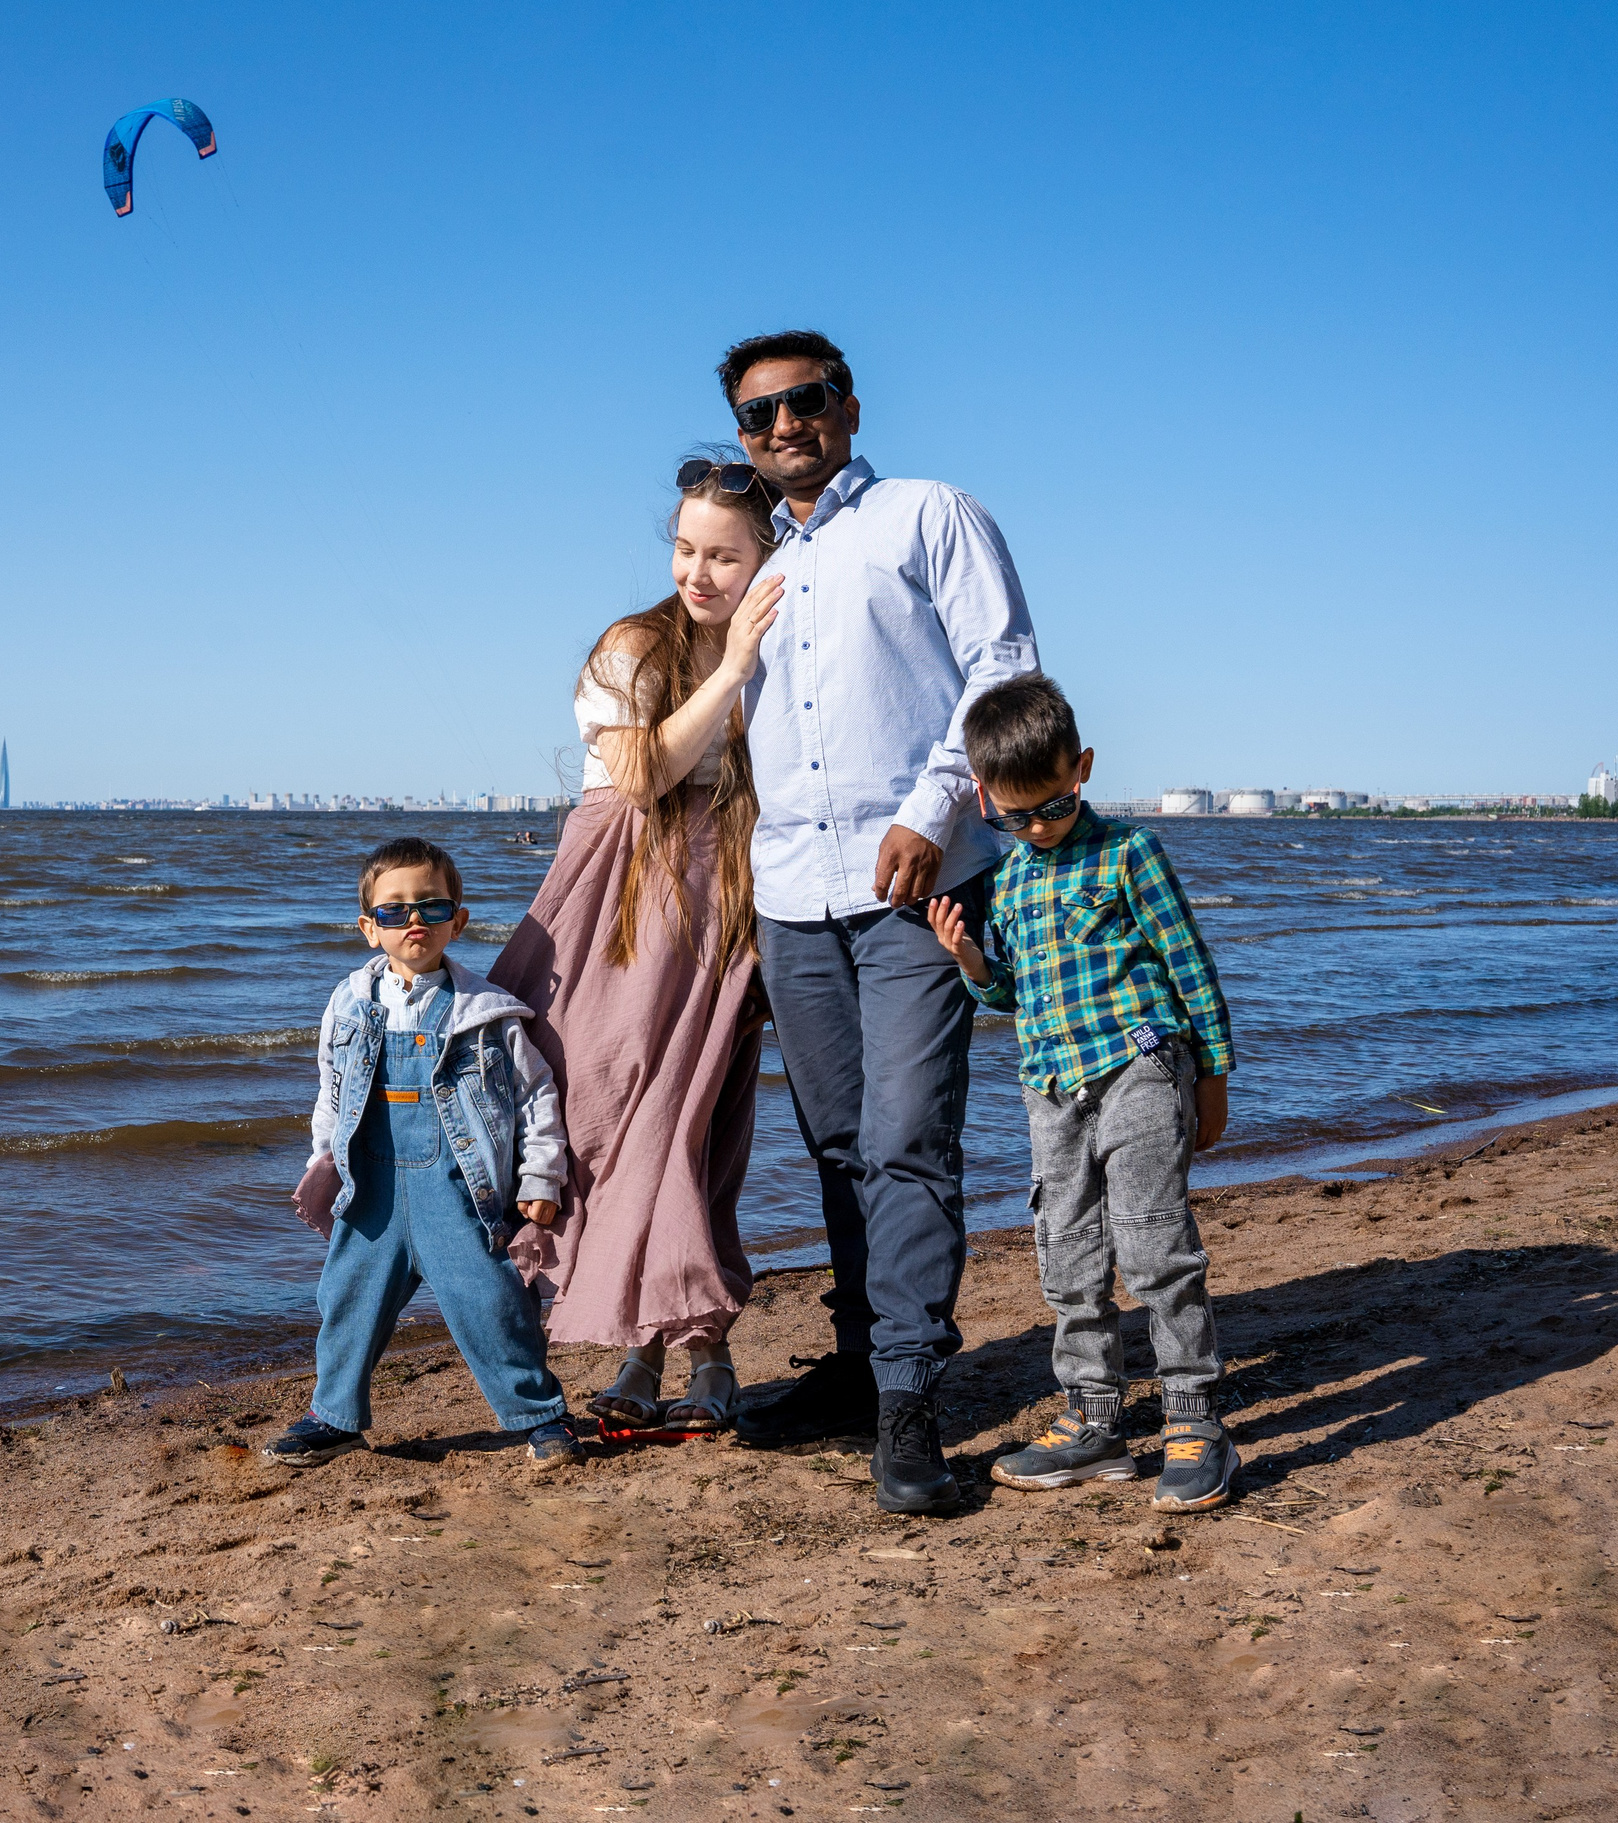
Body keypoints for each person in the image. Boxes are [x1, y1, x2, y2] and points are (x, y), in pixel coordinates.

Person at [719, 329, 1041, 1517]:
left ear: (847, 405)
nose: (785, 426)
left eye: (804, 402)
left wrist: (933, 803)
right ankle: (858, 1368)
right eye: (761, 417)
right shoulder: (752, 563)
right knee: (839, 1142)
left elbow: (1003, 670)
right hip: (789, 894)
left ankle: (909, 1397)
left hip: (919, 880)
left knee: (909, 1136)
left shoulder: (926, 513)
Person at [491, 455, 785, 1433]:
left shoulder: (782, 652)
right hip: (616, 895)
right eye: (685, 549)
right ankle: (651, 1353)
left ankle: (689, 1362)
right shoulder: (632, 647)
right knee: (604, 1117)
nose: (697, 574)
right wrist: (734, 667)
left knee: (695, 1127)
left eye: (724, 557)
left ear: (767, 557)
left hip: (718, 904)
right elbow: (646, 770)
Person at [927, 673, 1239, 1511]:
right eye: (1017, 814)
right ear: (987, 798)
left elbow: (1192, 969)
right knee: (1066, 1252)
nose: (1036, 826)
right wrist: (969, 963)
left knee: (1152, 1246)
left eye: (1053, 808)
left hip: (1140, 1063)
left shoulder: (1129, 853)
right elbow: (1008, 996)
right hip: (1050, 1087)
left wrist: (1212, 1076)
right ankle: (1094, 1420)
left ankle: (1194, 1419)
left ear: (1084, 769)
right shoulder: (1008, 880)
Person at [267, 837, 585, 1470]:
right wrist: (320, 1161)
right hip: (373, 1192)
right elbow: (332, 1092)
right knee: (346, 1298)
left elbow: (536, 1095)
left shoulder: (486, 1014)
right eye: (393, 911)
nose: (413, 920)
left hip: (456, 1187)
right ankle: (334, 1415)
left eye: (430, 907)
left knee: (491, 1300)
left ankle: (539, 1415)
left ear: (457, 921)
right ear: (368, 928)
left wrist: (542, 1177)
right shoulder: (350, 1005)